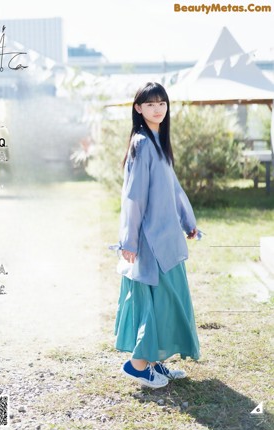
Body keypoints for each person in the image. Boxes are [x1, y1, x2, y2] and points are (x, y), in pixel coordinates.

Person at [113, 82, 201, 389]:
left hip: (168, 238)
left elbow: (173, 188)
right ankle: (138, 366)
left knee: (168, 301)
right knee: (156, 302)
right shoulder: (141, 144)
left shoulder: (159, 142)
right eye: (150, 104)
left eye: (162, 102)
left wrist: (188, 222)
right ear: (138, 108)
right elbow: (133, 198)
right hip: (149, 242)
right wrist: (129, 242)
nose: (158, 108)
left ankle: (152, 362)